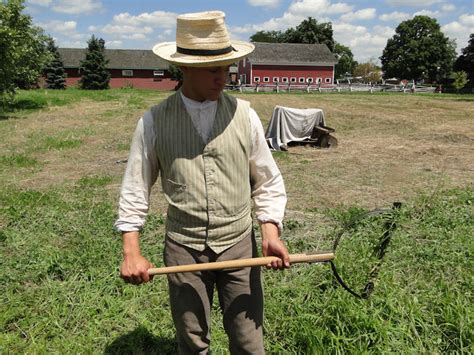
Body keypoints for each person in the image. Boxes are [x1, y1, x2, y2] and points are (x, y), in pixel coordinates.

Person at [115, 10, 289, 354]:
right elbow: (135, 189)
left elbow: (267, 181)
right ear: (185, 69)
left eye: (227, 69)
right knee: (192, 341)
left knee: (248, 340)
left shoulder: (245, 116)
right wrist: (131, 252)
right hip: (183, 249)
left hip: (239, 245)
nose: (223, 78)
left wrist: (270, 233)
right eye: (214, 70)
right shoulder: (153, 122)